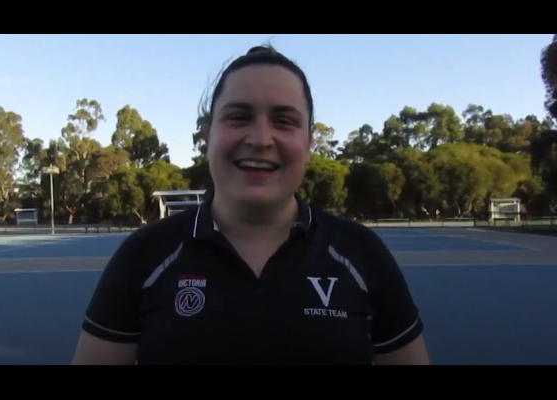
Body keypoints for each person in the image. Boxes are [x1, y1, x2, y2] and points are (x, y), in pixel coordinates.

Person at [72, 45, 430, 365]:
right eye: (239, 116)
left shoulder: (362, 255)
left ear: (308, 142)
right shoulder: (143, 255)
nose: (260, 139)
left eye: (284, 121)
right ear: (207, 135)